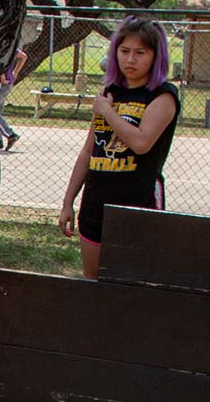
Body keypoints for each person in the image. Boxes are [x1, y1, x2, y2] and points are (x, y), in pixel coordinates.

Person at [59, 16, 179, 279]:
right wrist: (68, 201)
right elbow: (87, 151)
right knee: (93, 284)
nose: (131, 60)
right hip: (96, 201)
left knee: (130, 289)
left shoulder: (163, 95)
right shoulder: (110, 91)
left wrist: (107, 112)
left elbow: (141, 142)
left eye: (140, 53)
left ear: (155, 56)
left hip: (137, 202)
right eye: (124, 52)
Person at [0, 47, 27, 151]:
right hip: (5, 82)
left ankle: (10, 134)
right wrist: (15, 72)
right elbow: (23, 56)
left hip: (1, 83)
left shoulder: (3, 45)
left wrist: (2, 76)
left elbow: (0, 60)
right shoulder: (10, 46)